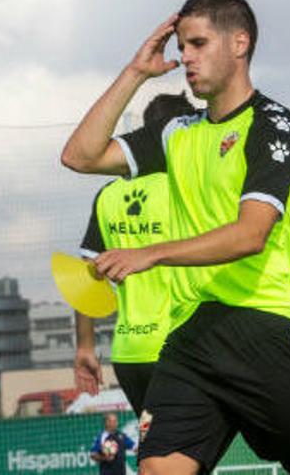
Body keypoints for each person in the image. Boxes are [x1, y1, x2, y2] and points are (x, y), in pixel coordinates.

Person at [61, 0, 290, 475]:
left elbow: (250, 234)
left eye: (197, 43)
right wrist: (134, 73)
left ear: (239, 43)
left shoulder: (273, 124)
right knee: (155, 468)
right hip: (192, 337)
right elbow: (80, 156)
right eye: (181, 45)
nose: (185, 57)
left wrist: (151, 253)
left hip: (266, 330)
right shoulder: (177, 132)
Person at [74, 93, 193, 417]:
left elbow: (87, 277)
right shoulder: (185, 188)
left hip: (128, 353)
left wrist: (85, 346)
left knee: (157, 450)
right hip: (178, 348)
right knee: (181, 456)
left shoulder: (107, 195)